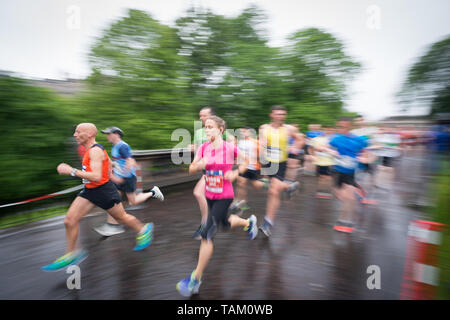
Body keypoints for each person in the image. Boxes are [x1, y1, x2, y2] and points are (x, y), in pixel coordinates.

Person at [42, 123, 153, 271]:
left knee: (121, 218)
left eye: (78, 132)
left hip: (103, 192)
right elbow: (109, 164)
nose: (75, 135)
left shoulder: (94, 151)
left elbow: (95, 176)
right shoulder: (94, 149)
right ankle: (71, 254)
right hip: (89, 191)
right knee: (70, 220)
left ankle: (143, 229)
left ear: (89, 134)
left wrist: (71, 171)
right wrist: (113, 175)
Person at [176, 116, 258, 297]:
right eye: (206, 127)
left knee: (207, 233)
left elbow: (246, 161)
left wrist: (235, 173)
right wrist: (199, 164)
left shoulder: (229, 148)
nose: (207, 130)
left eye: (211, 127)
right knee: (226, 223)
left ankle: (195, 278)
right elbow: (191, 168)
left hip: (225, 196)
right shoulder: (204, 148)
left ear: (220, 129)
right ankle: (248, 223)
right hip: (210, 195)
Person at [93, 126, 164, 237]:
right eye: (106, 134)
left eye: (109, 134)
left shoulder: (122, 146)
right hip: (119, 178)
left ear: (116, 134)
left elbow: (131, 161)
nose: (107, 136)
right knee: (112, 199)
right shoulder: (114, 146)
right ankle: (112, 225)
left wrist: (122, 177)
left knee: (133, 201)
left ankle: (153, 192)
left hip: (127, 178)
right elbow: (118, 162)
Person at [191, 107, 234, 240]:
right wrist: (193, 149)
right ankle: (248, 222)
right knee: (225, 221)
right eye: (200, 116)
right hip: (206, 169)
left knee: (198, 192)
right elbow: (198, 148)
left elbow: (232, 141)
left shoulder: (219, 129)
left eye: (204, 115)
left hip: (218, 171)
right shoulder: (199, 132)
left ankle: (205, 224)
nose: (201, 118)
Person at [258, 105, 301, 237]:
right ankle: (289, 187)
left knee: (273, 191)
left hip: (280, 163)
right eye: (277, 114)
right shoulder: (264, 128)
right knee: (272, 190)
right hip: (267, 162)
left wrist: (294, 148)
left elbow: (300, 139)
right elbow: (261, 143)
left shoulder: (289, 129)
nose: (280, 116)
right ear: (271, 115)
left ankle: (268, 223)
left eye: (282, 114)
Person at [321, 117, 368, 233]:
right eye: (339, 126)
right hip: (337, 171)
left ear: (349, 126)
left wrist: (363, 158)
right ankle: (357, 194)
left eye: (343, 126)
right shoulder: (336, 138)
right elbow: (324, 147)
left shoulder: (358, 140)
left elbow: (367, 152)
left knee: (348, 197)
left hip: (350, 172)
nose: (341, 129)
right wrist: (330, 151)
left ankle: (345, 222)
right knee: (337, 194)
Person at [230, 126, 268, 215]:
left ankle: (266, 184)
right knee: (240, 183)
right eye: (241, 131)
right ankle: (242, 203)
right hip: (243, 166)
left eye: (245, 131)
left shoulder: (255, 142)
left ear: (250, 133)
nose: (242, 133)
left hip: (253, 167)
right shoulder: (240, 142)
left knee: (256, 185)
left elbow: (262, 155)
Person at [351, 116, 379, 204]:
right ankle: (362, 196)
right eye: (357, 120)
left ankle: (368, 197)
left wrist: (368, 148)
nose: (359, 122)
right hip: (359, 158)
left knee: (372, 178)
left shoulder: (372, 131)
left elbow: (378, 144)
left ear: (364, 120)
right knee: (357, 178)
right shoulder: (354, 132)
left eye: (360, 120)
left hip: (371, 158)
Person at [310, 127, 335, 199]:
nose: (327, 131)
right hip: (319, 161)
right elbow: (310, 148)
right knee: (321, 177)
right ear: (322, 130)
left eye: (330, 129)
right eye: (326, 129)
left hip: (330, 161)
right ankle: (321, 191)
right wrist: (312, 155)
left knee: (329, 177)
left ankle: (327, 192)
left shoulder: (333, 139)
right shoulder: (315, 139)